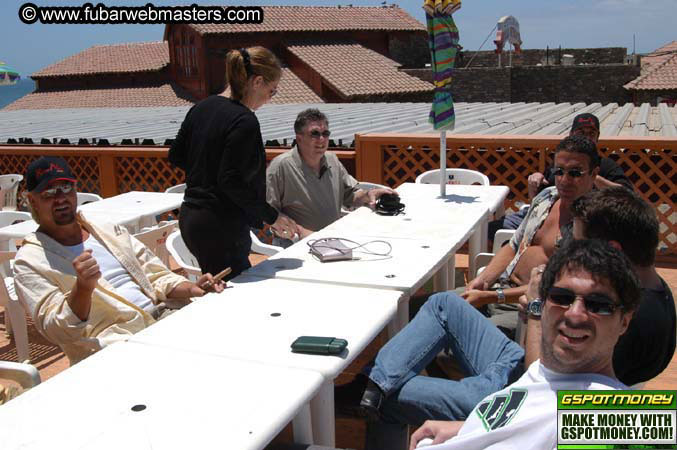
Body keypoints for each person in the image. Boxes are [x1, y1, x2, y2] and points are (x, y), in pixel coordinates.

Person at [408, 239, 638, 449]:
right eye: (562, 298)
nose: (575, 315)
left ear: (624, 322)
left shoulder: (611, 412)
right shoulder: (546, 372)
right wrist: (470, 429)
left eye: (598, 304)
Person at [13, 157, 224, 364]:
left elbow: (155, 275)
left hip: (163, 315)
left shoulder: (104, 228)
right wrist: (83, 288)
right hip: (114, 345)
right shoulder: (30, 262)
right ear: (32, 200)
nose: (60, 198)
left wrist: (192, 288)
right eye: (49, 192)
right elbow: (57, 330)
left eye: (66, 188)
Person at [519, 186, 675, 386]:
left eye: (578, 243)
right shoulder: (651, 290)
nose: (569, 249)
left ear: (611, 249)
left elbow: (541, 384)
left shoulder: (626, 319)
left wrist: (535, 311)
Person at [169, 46, 297, 278]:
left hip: (191, 220)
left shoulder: (201, 108)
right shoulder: (244, 120)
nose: (270, 98)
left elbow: (176, 155)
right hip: (221, 226)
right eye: (272, 91)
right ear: (257, 82)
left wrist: (206, 173)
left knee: (220, 288)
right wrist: (272, 217)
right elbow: (232, 182)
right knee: (233, 298)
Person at [461, 134, 600, 309]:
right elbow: (513, 246)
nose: (564, 180)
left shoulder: (590, 224)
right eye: (559, 171)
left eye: (574, 173)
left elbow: (560, 285)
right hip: (497, 287)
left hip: (528, 306)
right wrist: (482, 281)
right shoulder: (546, 197)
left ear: (594, 174)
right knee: (431, 303)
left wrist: (490, 297)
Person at [266, 108, 396, 247]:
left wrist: (369, 194)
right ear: (299, 138)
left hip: (333, 241)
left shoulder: (332, 160)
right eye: (314, 134)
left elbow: (349, 195)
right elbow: (269, 212)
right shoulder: (280, 166)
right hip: (294, 245)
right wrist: (301, 232)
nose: (321, 139)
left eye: (325, 133)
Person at [488, 112, 632, 237]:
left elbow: (627, 195)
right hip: (542, 215)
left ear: (597, 137)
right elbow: (539, 197)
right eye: (581, 132)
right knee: (490, 229)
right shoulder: (563, 161)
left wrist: (591, 177)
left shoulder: (606, 165)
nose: (565, 178)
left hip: (578, 220)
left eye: (591, 133)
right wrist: (536, 178)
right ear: (571, 135)